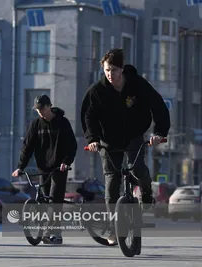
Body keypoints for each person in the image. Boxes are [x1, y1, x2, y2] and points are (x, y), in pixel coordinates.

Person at [80, 48, 170, 245]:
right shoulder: (97, 91)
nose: (110, 74)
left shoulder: (137, 84)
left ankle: (146, 191)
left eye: (113, 70)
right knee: (112, 180)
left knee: (138, 169)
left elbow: (158, 106)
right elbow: (88, 116)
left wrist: (160, 133)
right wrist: (92, 139)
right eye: (106, 70)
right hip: (108, 140)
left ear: (121, 69)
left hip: (133, 135)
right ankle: (113, 228)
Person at [12, 94, 78, 245]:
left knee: (55, 200)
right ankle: (45, 232)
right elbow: (27, 147)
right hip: (43, 168)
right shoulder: (36, 124)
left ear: (49, 106)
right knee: (43, 200)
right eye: (37, 109)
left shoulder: (62, 122)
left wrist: (66, 162)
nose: (40, 112)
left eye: (42, 108)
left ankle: (56, 234)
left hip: (59, 168)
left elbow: (72, 146)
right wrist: (20, 167)